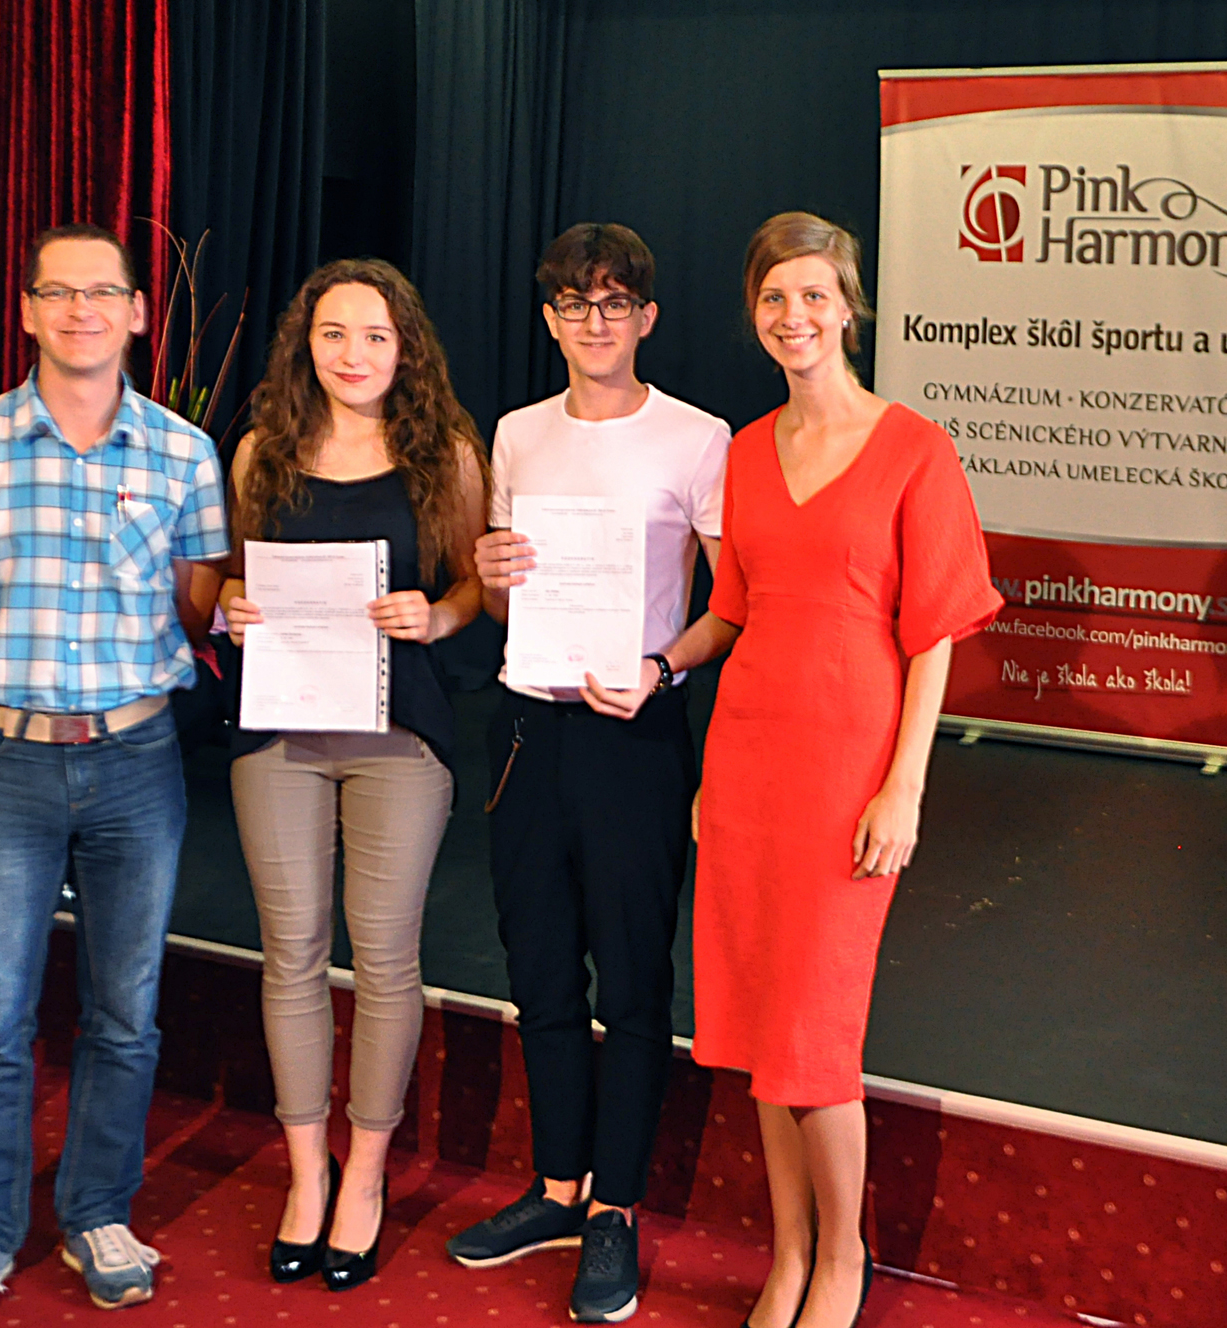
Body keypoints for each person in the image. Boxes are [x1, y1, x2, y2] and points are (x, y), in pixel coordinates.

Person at [652, 212, 1001, 1328]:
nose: (792, 315)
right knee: (762, 1021)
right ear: (753, 315)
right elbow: (732, 612)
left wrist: (905, 785)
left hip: (849, 768)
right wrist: (658, 668)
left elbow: (934, 634)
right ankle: (789, 1250)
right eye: (773, 297)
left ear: (849, 308)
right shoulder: (746, 452)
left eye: (813, 294)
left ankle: (844, 1254)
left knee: (814, 1029)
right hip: (746, 759)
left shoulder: (914, 448)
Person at [0, 223, 229, 1325]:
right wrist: (18, 684)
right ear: (28, 311)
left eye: (102, 292)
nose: (80, 310)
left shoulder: (184, 452)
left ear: (136, 311)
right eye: (58, 292)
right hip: (6, 763)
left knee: (125, 1010)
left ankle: (98, 1210)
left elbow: (199, 610)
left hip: (138, 760)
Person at [450, 223, 730, 1324]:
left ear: (646, 318)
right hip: (528, 728)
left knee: (631, 976)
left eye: (614, 303)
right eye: (574, 304)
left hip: (633, 735)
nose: (594, 321)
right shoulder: (517, 434)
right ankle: (557, 1185)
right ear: (550, 319)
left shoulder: (697, 437)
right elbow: (508, 599)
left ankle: (615, 1206)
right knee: (538, 968)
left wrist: (663, 668)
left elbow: (732, 602)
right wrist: (489, 571)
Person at [217, 259, 488, 1292]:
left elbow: (472, 586)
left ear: (405, 348)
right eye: (333, 333)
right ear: (306, 343)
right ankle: (305, 1174)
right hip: (278, 734)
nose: (353, 353)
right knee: (289, 953)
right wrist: (231, 607)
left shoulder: (443, 455)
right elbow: (229, 579)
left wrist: (438, 614)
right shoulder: (260, 452)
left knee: (383, 958)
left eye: (375, 335)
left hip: (398, 735)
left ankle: (364, 1174)